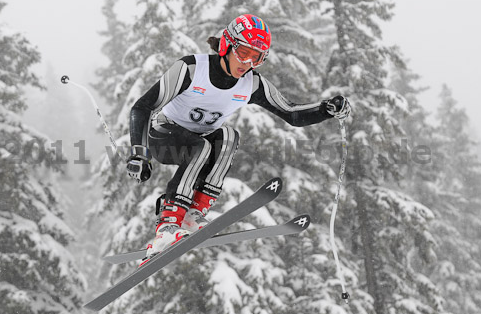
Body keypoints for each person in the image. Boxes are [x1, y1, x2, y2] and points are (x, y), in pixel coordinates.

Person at [126, 14, 350, 265]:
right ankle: (167, 225)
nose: (247, 62)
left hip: (199, 142)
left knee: (229, 137)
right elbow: (142, 107)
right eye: (243, 52)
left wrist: (325, 109)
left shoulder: (251, 84)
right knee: (201, 147)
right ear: (226, 45)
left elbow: (292, 114)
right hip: (164, 136)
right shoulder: (191, 68)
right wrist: (139, 153)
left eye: (256, 57)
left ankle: (194, 213)